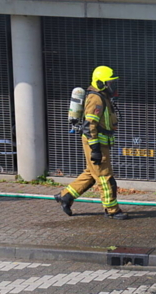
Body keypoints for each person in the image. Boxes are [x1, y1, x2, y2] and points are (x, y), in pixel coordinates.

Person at [54, 65, 129, 220]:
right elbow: (90, 126)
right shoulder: (96, 99)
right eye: (109, 82)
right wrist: (95, 149)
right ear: (101, 83)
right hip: (96, 143)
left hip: (101, 143)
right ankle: (112, 210)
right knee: (105, 177)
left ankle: (65, 196)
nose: (112, 85)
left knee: (91, 173)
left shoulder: (103, 97)